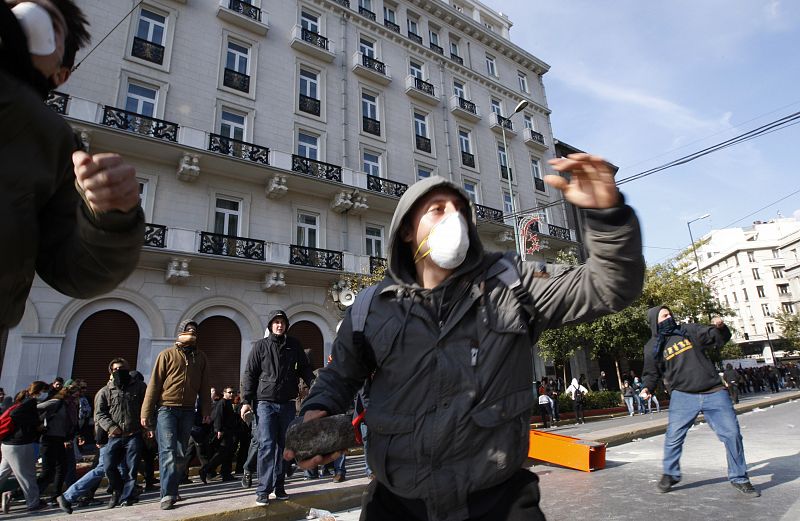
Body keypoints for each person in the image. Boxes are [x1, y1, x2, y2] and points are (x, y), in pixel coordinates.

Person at [288, 154, 645, 521]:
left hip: (498, 503)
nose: (454, 218)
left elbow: (609, 285)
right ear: (408, 231)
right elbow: (340, 375)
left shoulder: (512, 282)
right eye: (438, 209)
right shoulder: (370, 306)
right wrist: (319, 410)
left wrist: (608, 216)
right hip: (396, 505)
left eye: (460, 209)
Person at [0, 0, 145, 336]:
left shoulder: (54, 141)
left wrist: (111, 217)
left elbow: (77, 271)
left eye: (50, 21)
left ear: (61, 74)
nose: (21, 12)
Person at [640, 306, 759, 497]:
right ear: (655, 321)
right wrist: (647, 388)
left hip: (714, 391)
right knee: (673, 437)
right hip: (682, 395)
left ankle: (739, 477)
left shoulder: (688, 330)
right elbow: (651, 373)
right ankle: (670, 473)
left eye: (670, 313)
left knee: (732, 434)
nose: (669, 316)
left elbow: (715, 336)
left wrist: (720, 327)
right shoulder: (652, 346)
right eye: (664, 315)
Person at [240, 310, 315, 507]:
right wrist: (246, 401)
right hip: (265, 403)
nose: (279, 325)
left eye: (282, 322)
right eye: (276, 322)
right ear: (270, 325)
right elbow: (249, 374)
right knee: (266, 444)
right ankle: (263, 490)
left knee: (284, 447)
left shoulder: (294, 345)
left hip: (287, 403)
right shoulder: (261, 346)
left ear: (286, 325)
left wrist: (314, 385)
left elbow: (305, 369)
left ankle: (279, 486)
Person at [141, 321, 211, 510]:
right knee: (168, 452)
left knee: (181, 454)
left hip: (188, 411)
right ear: (180, 334)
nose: (191, 333)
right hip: (166, 410)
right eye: (188, 331)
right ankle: (168, 494)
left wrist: (206, 411)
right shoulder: (166, 355)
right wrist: (146, 412)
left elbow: (205, 387)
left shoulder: (201, 357)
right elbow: (154, 384)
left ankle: (172, 488)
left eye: (194, 331)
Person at [92, 358, 147, 508]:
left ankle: (127, 497)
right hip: (114, 436)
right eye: (115, 369)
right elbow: (99, 414)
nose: (118, 371)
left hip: (133, 433)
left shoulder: (140, 387)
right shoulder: (105, 391)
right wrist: (110, 427)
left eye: (121, 369)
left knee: (131, 469)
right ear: (111, 372)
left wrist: (149, 427)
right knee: (109, 466)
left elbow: (147, 407)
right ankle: (117, 490)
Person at [0, 382, 46, 513]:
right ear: (38, 391)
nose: (44, 394)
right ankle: (33, 503)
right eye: (44, 390)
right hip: (20, 445)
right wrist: (36, 424)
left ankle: (31, 501)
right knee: (27, 475)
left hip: (8, 444)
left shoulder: (21, 400)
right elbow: (15, 414)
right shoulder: (29, 402)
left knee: (2, 474)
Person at [37, 380, 79, 504]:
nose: (77, 395)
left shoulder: (70, 405)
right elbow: (36, 408)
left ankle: (55, 495)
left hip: (61, 439)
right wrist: (38, 425)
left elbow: (71, 423)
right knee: (47, 472)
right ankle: (16, 493)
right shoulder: (57, 402)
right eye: (75, 392)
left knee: (62, 468)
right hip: (49, 439)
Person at [200, 387, 237, 483]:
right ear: (224, 393)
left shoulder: (228, 403)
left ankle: (226, 474)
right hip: (224, 432)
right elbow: (218, 417)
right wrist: (218, 430)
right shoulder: (222, 403)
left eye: (233, 392)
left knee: (228, 454)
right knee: (222, 453)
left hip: (230, 432)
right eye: (229, 392)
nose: (232, 394)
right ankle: (205, 470)